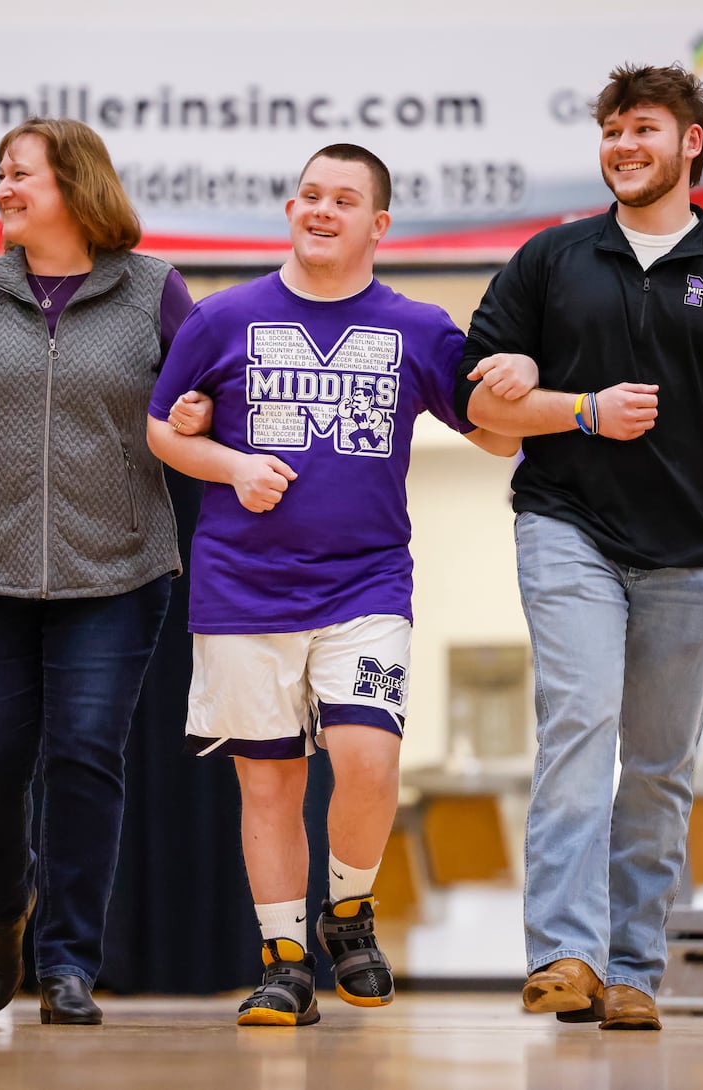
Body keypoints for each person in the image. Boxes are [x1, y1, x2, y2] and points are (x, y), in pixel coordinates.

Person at [453, 63, 703, 1031]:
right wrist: (570, 406)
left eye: (642, 129)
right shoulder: (550, 259)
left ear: (689, 143)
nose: (622, 146)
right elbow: (477, 403)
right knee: (579, 721)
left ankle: (633, 967)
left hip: (696, 549)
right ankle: (565, 952)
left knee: (657, 763)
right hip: (567, 525)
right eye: (611, 131)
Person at [147, 143, 518, 1027]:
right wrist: (231, 465)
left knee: (368, 759)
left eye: (343, 200)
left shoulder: (418, 328)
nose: (321, 210)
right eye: (309, 194)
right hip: (243, 590)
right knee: (268, 785)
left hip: (367, 584)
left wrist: (519, 383)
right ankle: (282, 963)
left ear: (378, 223)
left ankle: (347, 913)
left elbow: (498, 438)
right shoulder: (222, 318)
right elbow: (163, 431)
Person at [0, 117, 195, 1026]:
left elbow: (214, 404)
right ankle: (5, 907)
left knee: (85, 757)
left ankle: (67, 964)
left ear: (77, 185)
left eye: (21, 176)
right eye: (0, 176)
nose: (4, 190)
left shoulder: (154, 292)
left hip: (120, 571)